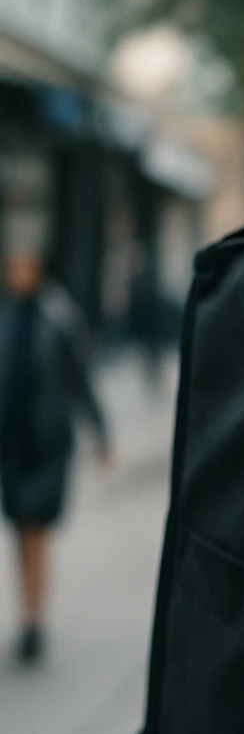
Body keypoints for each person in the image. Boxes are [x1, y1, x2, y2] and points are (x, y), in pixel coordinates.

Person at [0, 247, 110, 664]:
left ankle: (33, 620)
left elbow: (82, 379)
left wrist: (101, 434)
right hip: (12, 445)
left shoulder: (59, 317)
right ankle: (26, 614)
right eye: (12, 265)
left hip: (46, 445)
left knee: (36, 529)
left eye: (23, 265)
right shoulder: (8, 318)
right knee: (19, 530)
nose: (17, 272)